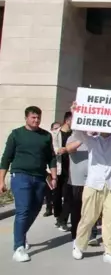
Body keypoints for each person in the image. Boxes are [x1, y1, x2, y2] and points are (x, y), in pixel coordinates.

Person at [0, 106, 57, 263]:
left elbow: (51, 157)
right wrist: (1, 180)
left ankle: (21, 234)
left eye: (38, 117)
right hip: (20, 176)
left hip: (39, 178)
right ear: (26, 118)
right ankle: (18, 247)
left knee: (35, 209)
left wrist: (53, 176)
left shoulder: (45, 136)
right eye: (33, 117)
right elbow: (6, 158)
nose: (36, 120)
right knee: (23, 210)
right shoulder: (16, 134)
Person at [70, 125, 111, 265]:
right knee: (88, 217)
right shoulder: (91, 139)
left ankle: (110, 252)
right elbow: (78, 133)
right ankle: (79, 245)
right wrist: (76, 114)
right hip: (94, 184)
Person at [43, 122, 61, 217]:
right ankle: (49, 208)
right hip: (50, 170)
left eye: (59, 128)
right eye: (55, 128)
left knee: (57, 191)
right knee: (48, 191)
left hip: (59, 169)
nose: (57, 130)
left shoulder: (61, 139)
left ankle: (57, 210)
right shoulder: (49, 139)